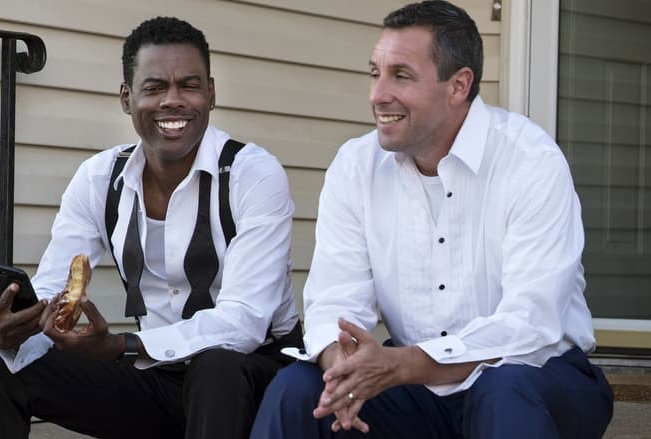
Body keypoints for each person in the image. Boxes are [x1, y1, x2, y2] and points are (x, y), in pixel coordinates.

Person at [250, 1, 614, 438]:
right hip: (414, 387)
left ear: (458, 85)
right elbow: (335, 302)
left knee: (502, 390)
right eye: (375, 73)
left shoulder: (530, 161)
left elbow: (530, 325)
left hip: (538, 378)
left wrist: (401, 365)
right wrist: (345, 371)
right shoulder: (355, 166)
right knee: (298, 389)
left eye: (400, 76)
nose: (377, 94)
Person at [0, 16, 301, 439]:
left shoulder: (252, 174)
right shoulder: (100, 178)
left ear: (211, 94)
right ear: (126, 97)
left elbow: (244, 322)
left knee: (216, 367)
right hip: (157, 376)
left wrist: (124, 346)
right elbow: (54, 289)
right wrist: (21, 327)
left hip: (254, 377)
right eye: (154, 87)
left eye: (189, 86)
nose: (173, 101)